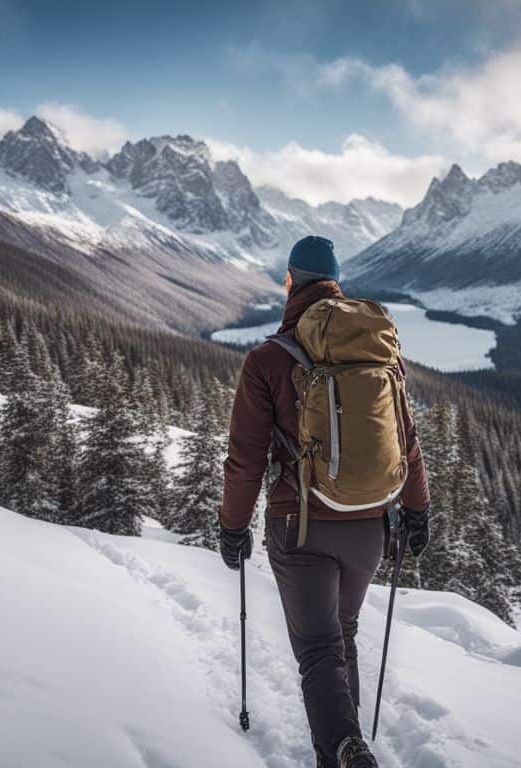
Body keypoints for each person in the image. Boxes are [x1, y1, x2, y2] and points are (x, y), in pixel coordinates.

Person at [217, 235, 432, 768]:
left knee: (318, 651)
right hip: (368, 526)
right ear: (336, 281)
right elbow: (406, 440)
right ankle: (345, 744)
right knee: (344, 637)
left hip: (302, 526)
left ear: (291, 282)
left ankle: (342, 749)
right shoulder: (378, 349)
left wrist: (232, 527)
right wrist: (417, 509)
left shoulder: (268, 359)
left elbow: (245, 460)